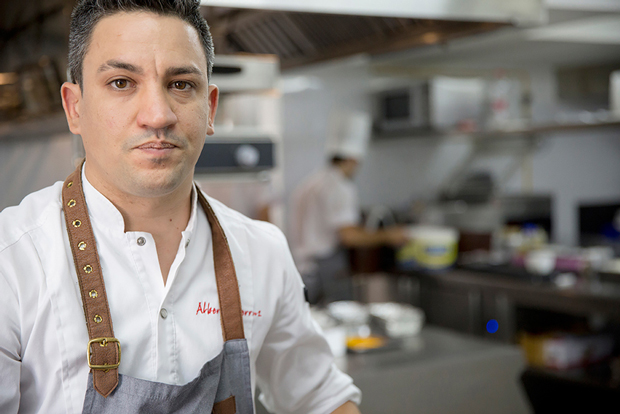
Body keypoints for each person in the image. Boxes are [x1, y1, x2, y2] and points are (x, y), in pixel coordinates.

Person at [0, 1, 361, 413]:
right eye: (121, 82)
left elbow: (320, 398)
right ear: (74, 108)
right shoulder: (11, 263)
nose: (158, 115)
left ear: (209, 108)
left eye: (181, 84)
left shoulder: (262, 253)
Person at [290, 112, 408, 304]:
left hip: (302, 267)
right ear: (353, 159)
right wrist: (389, 235)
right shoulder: (341, 187)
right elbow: (349, 236)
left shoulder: (311, 183)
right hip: (326, 269)